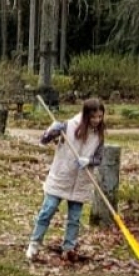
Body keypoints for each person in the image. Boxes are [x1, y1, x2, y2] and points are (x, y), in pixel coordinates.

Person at [26, 97, 106, 263]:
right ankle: (34, 244)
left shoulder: (99, 135)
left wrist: (88, 161)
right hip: (61, 177)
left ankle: (68, 249)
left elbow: (99, 158)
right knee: (48, 210)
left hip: (81, 182)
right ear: (86, 116)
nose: (97, 120)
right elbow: (43, 141)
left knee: (75, 218)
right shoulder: (67, 126)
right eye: (93, 117)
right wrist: (51, 130)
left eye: (100, 117)